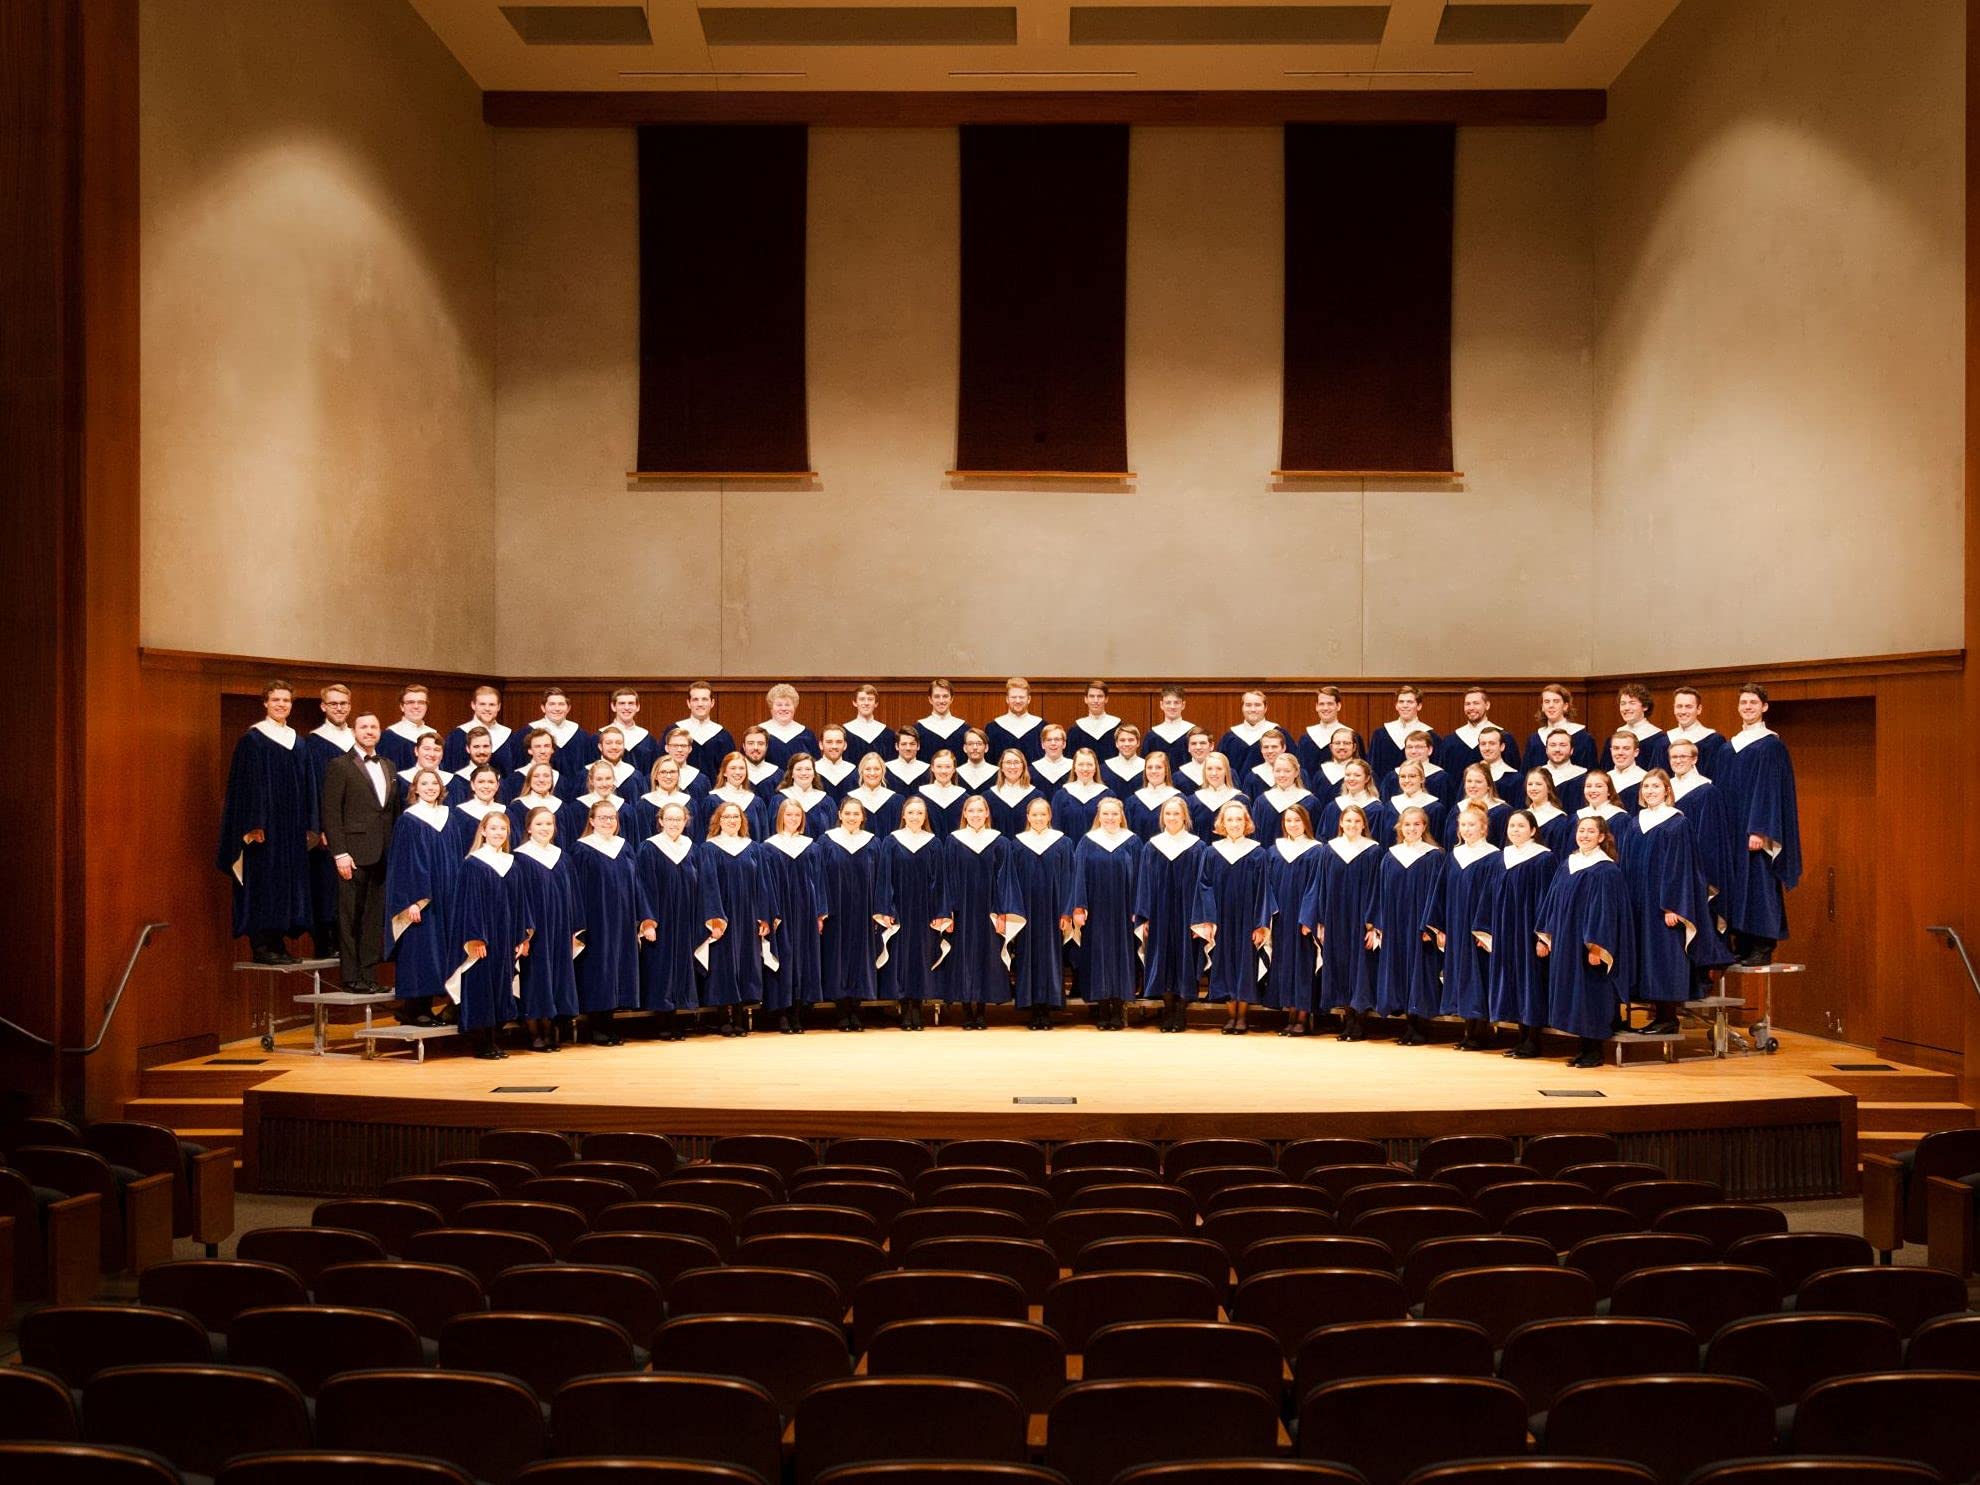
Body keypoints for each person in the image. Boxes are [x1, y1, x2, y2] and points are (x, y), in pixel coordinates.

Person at [1625, 768, 1733, 1034]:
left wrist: (1674, 905)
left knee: (1664, 957)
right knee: (1645, 957)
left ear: (1667, 791)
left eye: (1655, 787)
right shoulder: (1634, 822)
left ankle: (1668, 1017)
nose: (1650, 791)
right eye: (1646, 787)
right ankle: (1657, 1015)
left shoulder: (1677, 823)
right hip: (1640, 902)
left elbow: (1681, 868)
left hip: (1663, 905)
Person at [218, 680, 319, 966]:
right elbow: (245, 787)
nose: (281, 705)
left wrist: (310, 825)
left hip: (291, 828)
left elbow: (308, 786)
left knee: (287, 883)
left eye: (286, 700)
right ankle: (261, 944)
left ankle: (278, 942)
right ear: (265, 703)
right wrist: (253, 823)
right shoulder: (253, 740)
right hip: (264, 829)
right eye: (276, 700)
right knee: (264, 883)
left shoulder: (298, 742)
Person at [1537, 814, 1634, 1068]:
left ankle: (1595, 1050)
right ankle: (1583, 1047)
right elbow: (1552, 902)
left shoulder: (1606, 870)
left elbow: (1605, 913)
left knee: (1592, 994)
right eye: (1582, 831)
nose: (1585, 836)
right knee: (1575, 995)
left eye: (1591, 832)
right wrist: (1547, 936)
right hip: (1567, 942)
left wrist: (1597, 946)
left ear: (1602, 837)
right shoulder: (1568, 864)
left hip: (1589, 944)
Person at [1718, 683, 1802, 964]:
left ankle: (1763, 943)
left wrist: (1759, 829)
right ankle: (1741, 941)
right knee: (1737, 884)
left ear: (1764, 707)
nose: (1748, 707)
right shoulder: (1729, 748)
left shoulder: (1771, 746)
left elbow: (1769, 791)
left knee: (1759, 883)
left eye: (1753, 702)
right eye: (1743, 702)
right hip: (1732, 829)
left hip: (1755, 831)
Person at [318, 710, 399, 987]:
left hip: (383, 853)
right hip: (352, 854)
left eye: (374, 727)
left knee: (373, 919)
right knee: (350, 916)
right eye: (363, 727)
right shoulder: (339, 765)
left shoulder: (388, 765)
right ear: (354, 731)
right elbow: (330, 813)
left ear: (379, 732)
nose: (369, 731)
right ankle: (352, 977)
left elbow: (390, 812)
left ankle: (369, 975)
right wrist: (340, 852)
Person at [381, 767, 458, 1027]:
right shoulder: (409, 820)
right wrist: (411, 901)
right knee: (420, 952)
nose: (430, 787)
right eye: (424, 783)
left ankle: (424, 1007)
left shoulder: (448, 816)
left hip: (445, 896)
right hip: (420, 898)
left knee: (439, 952)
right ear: (414, 788)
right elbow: (403, 864)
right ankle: (413, 1008)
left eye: (433, 783)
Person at [448, 810, 528, 1060]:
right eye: (493, 828)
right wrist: (474, 937)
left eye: (502, 829)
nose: (498, 833)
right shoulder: (473, 863)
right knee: (481, 985)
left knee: (501, 984)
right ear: (483, 831)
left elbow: (519, 903)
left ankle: (494, 1038)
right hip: (483, 936)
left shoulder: (511, 863)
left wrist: (521, 937)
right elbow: (468, 905)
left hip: (505, 936)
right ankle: (482, 1042)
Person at [1366, 806, 1448, 1045]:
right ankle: (1407, 1026)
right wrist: (1377, 925)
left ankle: (1420, 1026)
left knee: (1420, 972)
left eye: (1416, 824)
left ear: (1424, 827)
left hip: (1420, 925)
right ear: (1400, 827)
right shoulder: (1391, 856)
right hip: (1395, 924)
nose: (1411, 828)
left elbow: (1437, 895)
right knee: (1400, 971)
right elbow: (1379, 892)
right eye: (1407, 824)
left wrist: (1430, 926)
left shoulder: (1434, 856)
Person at [1483, 809, 1559, 1059]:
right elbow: (1491, 897)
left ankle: (1533, 1041)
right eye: (1511, 826)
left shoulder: (1543, 859)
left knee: (1531, 983)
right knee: (1514, 982)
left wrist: (1542, 936)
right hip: (1506, 931)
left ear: (1533, 830)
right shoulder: (1500, 858)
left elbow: (1547, 900)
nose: (1515, 830)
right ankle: (1521, 1038)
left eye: (1521, 826)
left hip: (1528, 932)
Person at [570, 797, 647, 1046]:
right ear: (591, 821)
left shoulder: (624, 847)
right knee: (598, 969)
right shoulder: (582, 849)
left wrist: (642, 916)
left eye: (611, 818)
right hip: (596, 918)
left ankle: (609, 1022)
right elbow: (578, 889)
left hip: (622, 918)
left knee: (617, 967)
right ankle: (595, 1026)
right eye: (602, 817)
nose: (607, 822)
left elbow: (635, 883)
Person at [634, 802, 713, 1041]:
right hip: (661, 918)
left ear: (685, 821)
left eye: (678, 819)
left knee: (682, 966)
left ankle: (677, 1018)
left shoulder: (691, 848)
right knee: (661, 968)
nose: (674, 824)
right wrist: (648, 921)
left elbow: (701, 885)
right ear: (660, 821)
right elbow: (643, 886)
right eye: (669, 819)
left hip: (686, 917)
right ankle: (661, 1021)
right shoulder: (649, 847)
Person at [1426, 801, 1501, 1050]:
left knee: (1479, 975)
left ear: (1484, 828)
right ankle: (1469, 1030)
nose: (1467, 829)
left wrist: (1485, 929)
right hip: (1457, 925)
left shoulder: (1493, 857)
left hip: (1477, 928)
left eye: (1472, 825)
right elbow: (1440, 893)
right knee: (1460, 975)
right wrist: (1441, 927)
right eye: (1463, 825)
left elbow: (1493, 897)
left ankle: (1483, 1031)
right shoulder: (1454, 856)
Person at [1193, 799, 1271, 1035]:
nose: (1235, 823)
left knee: (1245, 964)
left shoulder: (1257, 852)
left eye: (1239, 819)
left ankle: (1242, 1017)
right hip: (1222, 917)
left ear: (1246, 822)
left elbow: (1263, 890)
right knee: (1224, 963)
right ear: (1222, 824)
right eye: (1230, 819)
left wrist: (1260, 923)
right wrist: (1208, 918)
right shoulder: (1212, 852)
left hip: (1247, 917)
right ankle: (1230, 1015)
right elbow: (1204, 886)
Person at [512, 806, 583, 1053]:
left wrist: (574, 928)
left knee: (557, 976)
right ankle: (535, 1032)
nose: (545, 828)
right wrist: (524, 933)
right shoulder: (520, 858)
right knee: (536, 978)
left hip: (560, 928)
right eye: (539, 824)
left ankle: (551, 1027)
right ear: (529, 827)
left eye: (549, 824)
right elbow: (519, 899)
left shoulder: (561, 857)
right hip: (536, 930)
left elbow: (573, 895)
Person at [936, 794, 1011, 1027]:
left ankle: (982, 1010)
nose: (976, 815)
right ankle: (966, 1009)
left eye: (980, 811)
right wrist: (948, 911)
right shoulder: (954, 841)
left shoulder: (999, 842)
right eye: (972, 811)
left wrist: (1002, 911)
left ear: (987, 814)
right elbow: (946, 878)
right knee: (963, 957)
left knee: (987, 956)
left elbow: (1004, 880)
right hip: (962, 909)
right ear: (964, 814)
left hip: (988, 909)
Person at [1068, 797, 1142, 1031]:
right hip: (1096, 910)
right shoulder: (1088, 842)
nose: (1110, 818)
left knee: (1122, 955)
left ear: (1121, 816)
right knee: (1097, 955)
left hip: (1123, 910)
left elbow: (1141, 878)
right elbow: (1078, 876)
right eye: (1106, 814)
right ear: (1098, 816)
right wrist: (1079, 907)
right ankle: (1101, 1008)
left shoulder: (1132, 842)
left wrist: (1137, 909)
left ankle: (1119, 1007)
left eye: (1114, 814)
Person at [694, 800, 767, 1037]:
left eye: (736, 817)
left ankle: (739, 1014)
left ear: (742, 821)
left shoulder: (753, 847)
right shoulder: (709, 848)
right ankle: (722, 1016)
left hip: (747, 914)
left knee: (746, 961)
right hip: (723, 915)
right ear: (718, 821)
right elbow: (708, 885)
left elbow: (762, 884)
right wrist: (714, 917)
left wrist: (764, 916)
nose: (732, 821)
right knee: (723, 963)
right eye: (727, 817)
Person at [1133, 796, 1205, 1033]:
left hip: (1187, 912)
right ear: (1162, 817)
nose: (1172, 818)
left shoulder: (1197, 847)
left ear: (1185, 816)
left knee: (1185, 957)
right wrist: (1145, 916)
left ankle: (1181, 1011)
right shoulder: (1152, 846)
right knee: (1162, 956)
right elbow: (1144, 883)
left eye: (1176, 814)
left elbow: (1202, 886)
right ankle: (1168, 1009)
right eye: (1168, 814)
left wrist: (1200, 917)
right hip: (1159, 911)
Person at [877, 795, 948, 1030]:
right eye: (911, 812)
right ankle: (904, 1006)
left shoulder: (934, 843)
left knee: (921, 957)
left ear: (925, 816)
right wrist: (886, 908)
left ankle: (917, 1007)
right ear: (903, 815)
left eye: (920, 813)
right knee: (901, 958)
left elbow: (940, 881)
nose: (915, 817)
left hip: (925, 910)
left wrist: (941, 910)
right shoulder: (892, 841)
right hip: (900, 909)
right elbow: (885, 878)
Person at [1003, 796, 1074, 1030]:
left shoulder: (1062, 843)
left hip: (1053, 910)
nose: (1039, 818)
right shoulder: (1017, 844)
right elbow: (1010, 881)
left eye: (1043, 814)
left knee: (1052, 958)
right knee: (1027, 958)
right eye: (1034, 815)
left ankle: (1048, 1008)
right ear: (1027, 817)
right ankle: (1033, 1009)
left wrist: (1066, 911)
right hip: (1027, 912)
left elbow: (1069, 880)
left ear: (1050, 816)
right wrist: (1013, 912)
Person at [818, 797, 886, 1032]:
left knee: (860, 956)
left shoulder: (872, 842)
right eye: (847, 813)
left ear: (862, 817)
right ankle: (841, 1010)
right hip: (836, 911)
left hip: (863, 910)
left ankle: (856, 1009)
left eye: (856, 814)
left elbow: (880, 879)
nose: (851, 817)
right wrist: (822, 909)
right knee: (837, 955)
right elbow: (819, 878)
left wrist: (880, 908)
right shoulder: (827, 841)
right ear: (839, 814)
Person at [302, 683, 357, 958]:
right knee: (328, 886)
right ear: (323, 706)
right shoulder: (313, 743)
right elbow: (313, 788)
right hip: (329, 828)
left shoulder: (358, 740)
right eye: (333, 704)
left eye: (343, 704)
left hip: (358, 827)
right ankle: (328, 941)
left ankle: (351, 943)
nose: (339, 708)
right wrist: (321, 826)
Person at [1318, 804, 1382, 1040]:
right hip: (1336, 918)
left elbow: (1377, 889)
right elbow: (1322, 886)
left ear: (1364, 824)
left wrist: (1373, 924)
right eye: (1348, 821)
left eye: (1357, 821)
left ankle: (1359, 1022)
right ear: (1341, 824)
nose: (1352, 825)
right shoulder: (1330, 850)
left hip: (1361, 919)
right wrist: (1322, 921)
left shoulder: (1373, 851)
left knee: (1361, 968)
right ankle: (1347, 1018)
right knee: (1341, 965)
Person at [1262, 805, 1323, 1037]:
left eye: (1297, 820)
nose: (1293, 824)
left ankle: (1302, 1016)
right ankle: (1290, 1014)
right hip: (1281, 916)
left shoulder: (1316, 851)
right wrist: (1270, 913)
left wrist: (1309, 917)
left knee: (1303, 964)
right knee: (1284, 962)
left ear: (1305, 822)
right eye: (1288, 821)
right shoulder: (1275, 850)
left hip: (1302, 918)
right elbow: (1266, 885)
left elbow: (1316, 888)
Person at [1369, 684, 1438, 782]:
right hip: (1387, 790)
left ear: (1419, 706)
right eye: (1401, 702)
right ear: (1396, 706)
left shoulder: (1431, 736)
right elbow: (1373, 769)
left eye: (1410, 702)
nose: (1405, 705)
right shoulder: (1381, 735)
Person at [525, 686, 597, 780]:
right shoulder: (528, 733)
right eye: (552, 704)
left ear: (568, 708)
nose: (557, 708)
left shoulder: (581, 736)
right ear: (543, 708)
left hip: (575, 791)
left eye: (561, 704)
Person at [1523, 684, 1596, 772]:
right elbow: (1526, 773)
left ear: (1565, 706)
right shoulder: (1534, 740)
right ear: (1542, 707)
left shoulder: (1583, 738)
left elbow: (1592, 772)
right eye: (1547, 701)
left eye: (1556, 701)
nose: (1551, 705)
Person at [1297, 685, 1364, 780]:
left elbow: (1361, 768)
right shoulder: (1306, 738)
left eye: (1330, 704)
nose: (1325, 708)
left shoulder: (1352, 736)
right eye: (1321, 704)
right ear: (1316, 707)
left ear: (1338, 706)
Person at [1319, 758, 1393, 844]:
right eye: (1348, 775)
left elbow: (1382, 841)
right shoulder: (1333, 807)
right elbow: (1323, 838)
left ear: (1367, 778)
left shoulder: (1377, 810)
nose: (1351, 779)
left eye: (1357, 775)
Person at [1253, 754, 1320, 848]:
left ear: (1296, 772)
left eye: (1287, 771)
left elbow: (1315, 834)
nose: (1282, 775)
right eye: (1277, 771)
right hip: (1270, 858)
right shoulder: (1262, 802)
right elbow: (1256, 835)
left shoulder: (1310, 802)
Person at [443, 684, 513, 773]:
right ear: (473, 705)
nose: (487, 708)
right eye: (482, 704)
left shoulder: (508, 736)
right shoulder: (457, 736)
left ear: (498, 707)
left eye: (492, 704)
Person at [700, 751, 770, 839]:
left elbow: (763, 836)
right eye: (733, 768)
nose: (738, 772)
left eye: (741, 768)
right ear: (724, 772)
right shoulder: (712, 801)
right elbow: (704, 834)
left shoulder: (756, 802)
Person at [561, 760, 632, 846]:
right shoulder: (576, 810)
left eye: (608, 778)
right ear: (591, 781)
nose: (604, 784)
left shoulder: (626, 810)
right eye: (599, 779)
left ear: (614, 780)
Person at [1217, 689, 1283, 780]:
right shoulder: (1230, 737)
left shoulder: (1279, 734)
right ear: (1242, 708)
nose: (1253, 709)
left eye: (1257, 705)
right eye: (1248, 705)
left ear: (1266, 708)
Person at [629, 756, 698, 843]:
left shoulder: (690, 803)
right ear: (656, 776)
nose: (668, 776)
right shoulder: (644, 805)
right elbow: (641, 838)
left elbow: (697, 836)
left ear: (678, 775)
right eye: (663, 772)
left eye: (672, 772)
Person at [1441, 762, 1510, 848]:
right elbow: (1448, 843)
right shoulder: (1458, 809)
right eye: (1469, 781)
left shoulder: (1502, 812)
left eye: (1478, 782)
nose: (1472, 785)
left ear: (1489, 785)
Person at [675, 681, 735, 780]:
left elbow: (729, 770)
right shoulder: (675, 731)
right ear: (688, 703)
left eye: (704, 699)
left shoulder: (723, 736)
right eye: (695, 700)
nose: (700, 704)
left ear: (712, 703)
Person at [1379, 729, 1454, 806]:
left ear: (1430, 750)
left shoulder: (1442, 779)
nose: (1413, 751)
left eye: (1419, 747)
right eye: (1409, 747)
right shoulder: (1392, 778)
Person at [1667, 685, 1729, 779]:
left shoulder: (1713, 741)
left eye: (1688, 707)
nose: (1683, 711)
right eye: (1679, 706)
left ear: (1699, 709)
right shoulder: (1664, 741)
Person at [1053, 748, 1114, 837]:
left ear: (1095, 768)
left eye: (1089, 765)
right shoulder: (1061, 796)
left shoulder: (1107, 795)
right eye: (1081, 764)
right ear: (1074, 767)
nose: (1085, 769)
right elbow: (1056, 829)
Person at [1187, 753, 1249, 839]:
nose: (1214, 773)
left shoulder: (1240, 800)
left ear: (1226, 771)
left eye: (1219, 769)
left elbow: (1248, 833)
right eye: (1209, 769)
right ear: (1204, 771)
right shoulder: (1193, 801)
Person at [985, 676, 1047, 763]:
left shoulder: (1041, 727)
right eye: (1013, 697)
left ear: (1029, 699)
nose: (1017, 701)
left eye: (1021, 697)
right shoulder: (993, 728)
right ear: (1007, 699)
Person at [1438, 686, 1498, 775]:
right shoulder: (1450, 741)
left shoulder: (1502, 737)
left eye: (1476, 703)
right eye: (1467, 704)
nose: (1471, 708)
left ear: (1487, 705)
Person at [1385, 760, 1448, 845]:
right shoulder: (1390, 806)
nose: (1407, 780)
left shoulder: (1435, 809)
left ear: (1422, 779)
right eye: (1403, 776)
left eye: (1412, 776)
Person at [502, 728, 571, 804]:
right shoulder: (514, 780)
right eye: (538, 746)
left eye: (547, 746)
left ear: (552, 749)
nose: (543, 751)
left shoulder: (562, 781)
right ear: (530, 750)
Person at [759, 682, 819, 770]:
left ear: (794, 707)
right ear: (771, 707)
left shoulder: (807, 735)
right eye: (779, 705)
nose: (783, 708)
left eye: (787, 704)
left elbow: (815, 765)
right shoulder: (759, 733)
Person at [778, 753, 839, 837]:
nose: (804, 773)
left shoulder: (826, 802)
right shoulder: (779, 800)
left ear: (814, 773)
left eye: (808, 769)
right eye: (799, 769)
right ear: (791, 774)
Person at [1577, 770, 1637, 855]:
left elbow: (1623, 853)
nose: (1593, 790)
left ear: (1609, 791)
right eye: (1588, 786)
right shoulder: (1577, 816)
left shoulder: (1621, 819)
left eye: (1599, 786)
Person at [1127, 750, 1183, 839]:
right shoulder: (1133, 801)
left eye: (1158, 767)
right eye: (1149, 767)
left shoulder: (1178, 798)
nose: (1153, 771)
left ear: (1166, 771)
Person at [604, 687, 659, 778]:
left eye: (631, 703)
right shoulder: (600, 736)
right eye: (622, 703)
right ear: (613, 707)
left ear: (638, 707)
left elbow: (653, 771)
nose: (626, 708)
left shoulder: (648, 739)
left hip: (641, 789)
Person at [986, 749, 1043, 836]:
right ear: (1001, 767)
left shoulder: (1037, 796)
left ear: (1023, 766)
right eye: (1008, 762)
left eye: (1016, 762)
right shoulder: (988, 797)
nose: (1012, 767)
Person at [845, 751, 904, 836]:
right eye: (868, 769)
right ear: (861, 772)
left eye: (876, 769)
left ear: (883, 771)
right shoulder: (850, 799)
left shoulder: (896, 801)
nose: (872, 773)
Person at [377, 684, 432, 770]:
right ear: (402, 707)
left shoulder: (434, 735)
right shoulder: (388, 737)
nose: (416, 706)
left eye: (421, 702)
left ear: (426, 706)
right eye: (410, 702)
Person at [1616, 683, 1668, 773]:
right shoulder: (1615, 737)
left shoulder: (1659, 740)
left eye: (1632, 703)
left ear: (1645, 706)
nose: (1626, 708)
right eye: (1623, 703)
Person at [914, 677, 970, 762]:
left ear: (951, 699)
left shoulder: (964, 730)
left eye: (945, 696)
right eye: (937, 696)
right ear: (930, 699)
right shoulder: (918, 730)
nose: (941, 700)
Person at [1522, 770, 1575, 858]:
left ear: (1549, 788)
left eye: (1538, 784)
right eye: (1530, 784)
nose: (1533, 788)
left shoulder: (1560, 821)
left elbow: (1560, 855)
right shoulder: (1522, 817)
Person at [843, 683, 896, 765]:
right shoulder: (844, 733)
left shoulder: (888, 734)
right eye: (862, 699)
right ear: (854, 702)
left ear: (876, 703)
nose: (866, 703)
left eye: (870, 699)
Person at [918, 751, 968, 836]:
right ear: (932, 768)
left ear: (954, 769)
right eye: (939, 767)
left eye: (948, 767)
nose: (943, 771)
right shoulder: (921, 797)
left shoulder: (964, 798)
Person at [1148, 684, 1198, 770]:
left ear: (1183, 705)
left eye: (1176, 702)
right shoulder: (1152, 736)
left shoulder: (1193, 733)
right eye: (1168, 703)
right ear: (1161, 705)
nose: (1172, 706)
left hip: (1186, 782)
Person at [1540, 727, 1590, 813]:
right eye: (1553, 745)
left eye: (1563, 745)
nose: (1557, 749)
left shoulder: (1583, 777)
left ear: (1571, 750)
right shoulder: (1537, 776)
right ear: (1546, 750)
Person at [446, 725, 498, 805]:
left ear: (491, 748)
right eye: (476, 747)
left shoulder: (499, 780)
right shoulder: (456, 783)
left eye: (485, 746)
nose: (482, 751)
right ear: (468, 749)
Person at [1071, 680, 1123, 760]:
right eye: (1092, 696)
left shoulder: (1118, 727)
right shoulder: (1076, 730)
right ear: (1086, 699)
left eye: (1100, 696)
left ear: (1106, 699)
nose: (1096, 700)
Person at [1478, 726, 1524, 806]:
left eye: (1492, 743)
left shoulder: (1515, 779)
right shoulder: (1471, 776)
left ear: (1502, 747)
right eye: (1483, 744)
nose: (1487, 748)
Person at [593, 725, 641, 801]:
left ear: (624, 746)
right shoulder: (587, 774)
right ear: (600, 747)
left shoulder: (635, 776)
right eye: (608, 743)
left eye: (619, 743)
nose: (614, 747)